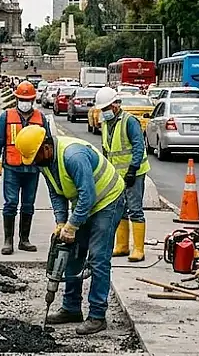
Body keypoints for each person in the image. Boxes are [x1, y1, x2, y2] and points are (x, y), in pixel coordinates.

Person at [13, 124, 125, 335]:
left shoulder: (73, 156)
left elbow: (88, 196)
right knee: (72, 254)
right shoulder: (44, 162)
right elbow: (57, 194)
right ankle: (72, 308)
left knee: (98, 259)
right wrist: (61, 223)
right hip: (85, 205)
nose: (35, 162)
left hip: (108, 201)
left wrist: (73, 225)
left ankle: (97, 316)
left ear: (46, 146)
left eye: (35, 157)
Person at [0, 81, 51, 255]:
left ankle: (24, 240)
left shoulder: (41, 118)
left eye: (29, 99)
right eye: (22, 99)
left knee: (28, 205)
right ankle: (8, 241)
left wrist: (47, 165)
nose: (25, 103)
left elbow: (47, 143)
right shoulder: (7, 116)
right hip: (12, 167)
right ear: (16, 99)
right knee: (10, 203)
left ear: (33, 100)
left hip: (33, 169)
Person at [95, 86, 150, 262]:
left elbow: (138, 146)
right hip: (117, 176)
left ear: (115, 105)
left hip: (134, 173)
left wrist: (133, 170)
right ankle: (122, 246)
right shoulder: (105, 123)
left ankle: (139, 249)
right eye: (102, 109)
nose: (104, 112)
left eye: (106, 108)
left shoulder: (129, 121)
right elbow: (107, 149)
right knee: (121, 210)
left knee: (135, 209)